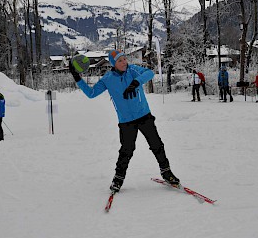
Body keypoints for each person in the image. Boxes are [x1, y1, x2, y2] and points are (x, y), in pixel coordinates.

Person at [69, 50, 180, 192]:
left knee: (156, 144)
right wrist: (76, 77)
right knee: (126, 150)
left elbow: (149, 73)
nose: (124, 62)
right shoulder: (107, 79)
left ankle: (167, 173)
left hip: (144, 116)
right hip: (126, 121)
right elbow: (91, 94)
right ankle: (118, 179)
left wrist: (135, 82)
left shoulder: (132, 70)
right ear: (114, 63)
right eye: (120, 60)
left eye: (124, 59)